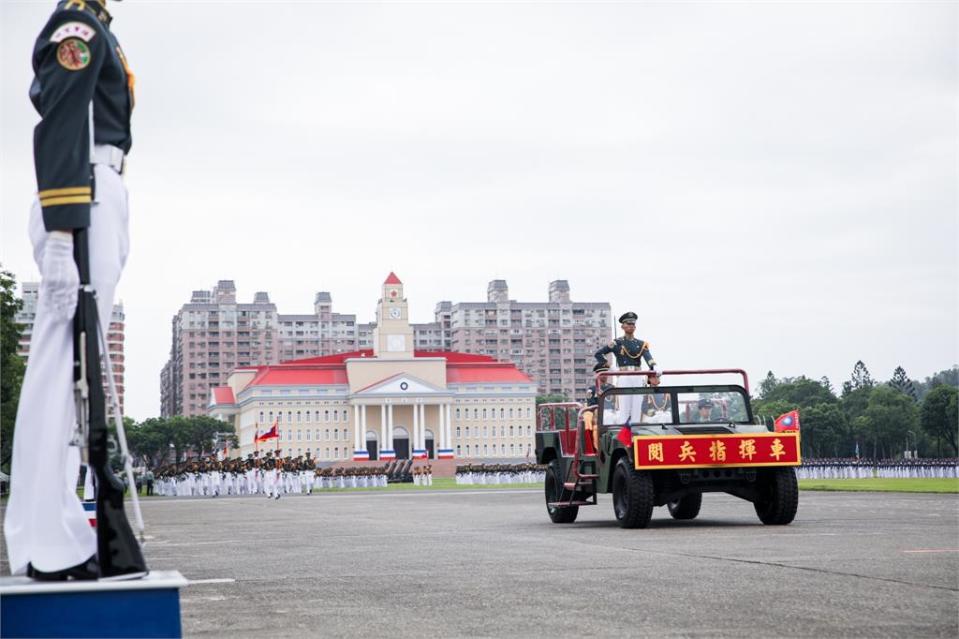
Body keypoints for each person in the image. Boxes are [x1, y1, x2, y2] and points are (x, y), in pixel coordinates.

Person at [4, 0, 136, 581]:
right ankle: (44, 542)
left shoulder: (99, 26)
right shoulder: (76, 26)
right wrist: (62, 230)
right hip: (81, 193)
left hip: (97, 189)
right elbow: (62, 115)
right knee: (61, 368)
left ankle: (54, 531)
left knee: (74, 371)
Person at [593, 312, 660, 425]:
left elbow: (649, 359)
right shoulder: (617, 343)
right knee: (624, 408)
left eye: (632, 324)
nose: (630, 326)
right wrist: (610, 367)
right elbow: (599, 354)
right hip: (624, 376)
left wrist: (655, 367)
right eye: (628, 324)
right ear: (622, 326)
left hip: (637, 376)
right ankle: (624, 438)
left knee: (637, 408)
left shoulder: (641, 344)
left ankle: (635, 434)